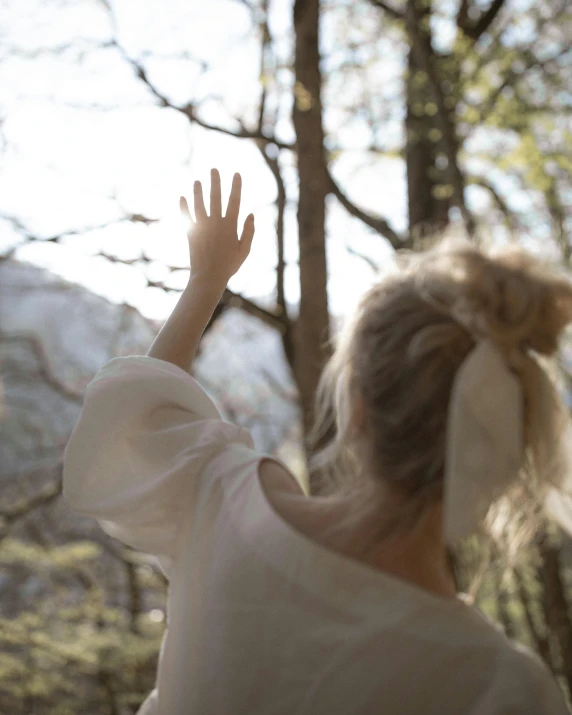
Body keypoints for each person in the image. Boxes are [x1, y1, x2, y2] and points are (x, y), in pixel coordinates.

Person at [63, 169, 572, 714]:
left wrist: (206, 282)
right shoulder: (504, 688)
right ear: (503, 452)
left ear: (356, 411)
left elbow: (136, 422)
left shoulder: (229, 506)